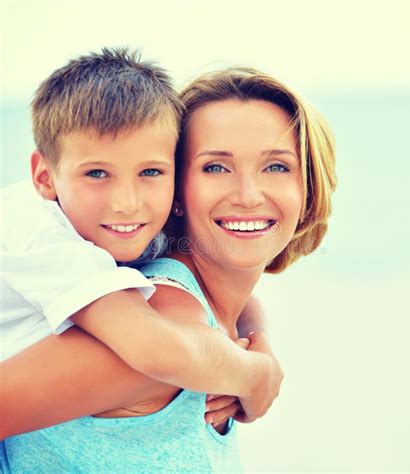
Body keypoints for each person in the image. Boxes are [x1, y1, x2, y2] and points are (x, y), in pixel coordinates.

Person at [3, 67, 336, 472]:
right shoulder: (160, 332)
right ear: (178, 190)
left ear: (309, 187)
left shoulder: (216, 323)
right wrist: (255, 372)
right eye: (215, 167)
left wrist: (254, 339)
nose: (248, 195)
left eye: (277, 167)